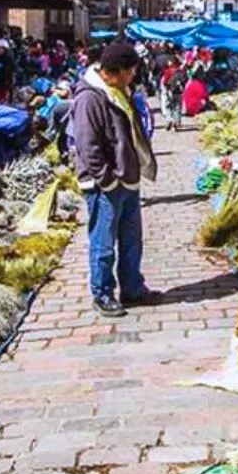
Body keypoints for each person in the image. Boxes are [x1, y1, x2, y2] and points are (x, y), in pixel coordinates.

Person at [71, 41, 159, 318]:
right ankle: (103, 293)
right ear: (118, 71)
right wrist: (107, 179)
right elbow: (88, 145)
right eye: (131, 71)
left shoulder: (119, 91)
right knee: (104, 242)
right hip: (104, 184)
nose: (134, 76)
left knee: (132, 239)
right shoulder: (90, 98)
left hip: (127, 179)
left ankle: (132, 288)